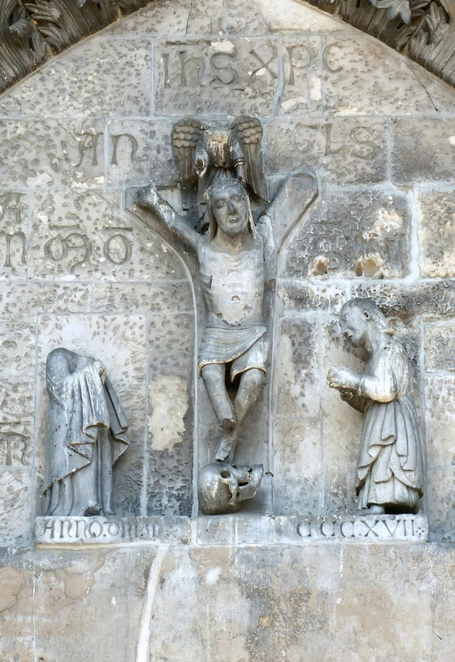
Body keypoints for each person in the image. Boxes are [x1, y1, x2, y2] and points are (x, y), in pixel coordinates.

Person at [136, 170, 316, 461]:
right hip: (217, 332)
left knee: (254, 379)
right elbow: (175, 225)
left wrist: (302, 187)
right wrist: (153, 201)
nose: (231, 209)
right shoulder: (204, 248)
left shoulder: (261, 241)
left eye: (237, 200)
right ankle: (225, 418)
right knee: (210, 373)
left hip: (253, 330)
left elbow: (291, 200)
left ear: (247, 205)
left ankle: (230, 433)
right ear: (213, 215)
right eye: (220, 204)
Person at [327, 298, 424, 514]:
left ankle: (385, 502)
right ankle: (377, 504)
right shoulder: (374, 359)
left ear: (366, 315)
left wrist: (353, 380)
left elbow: (385, 391)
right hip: (380, 425)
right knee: (379, 460)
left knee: (388, 458)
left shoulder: (390, 350)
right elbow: (370, 401)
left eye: (345, 320)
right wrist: (349, 392)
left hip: (393, 427)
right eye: (340, 326)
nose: (343, 331)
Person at [45, 347, 129, 517]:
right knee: (76, 454)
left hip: (87, 428)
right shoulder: (57, 356)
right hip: (66, 427)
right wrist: (91, 372)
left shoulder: (78, 362)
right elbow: (61, 389)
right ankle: (73, 506)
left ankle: (91, 503)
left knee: (91, 443)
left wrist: (93, 373)